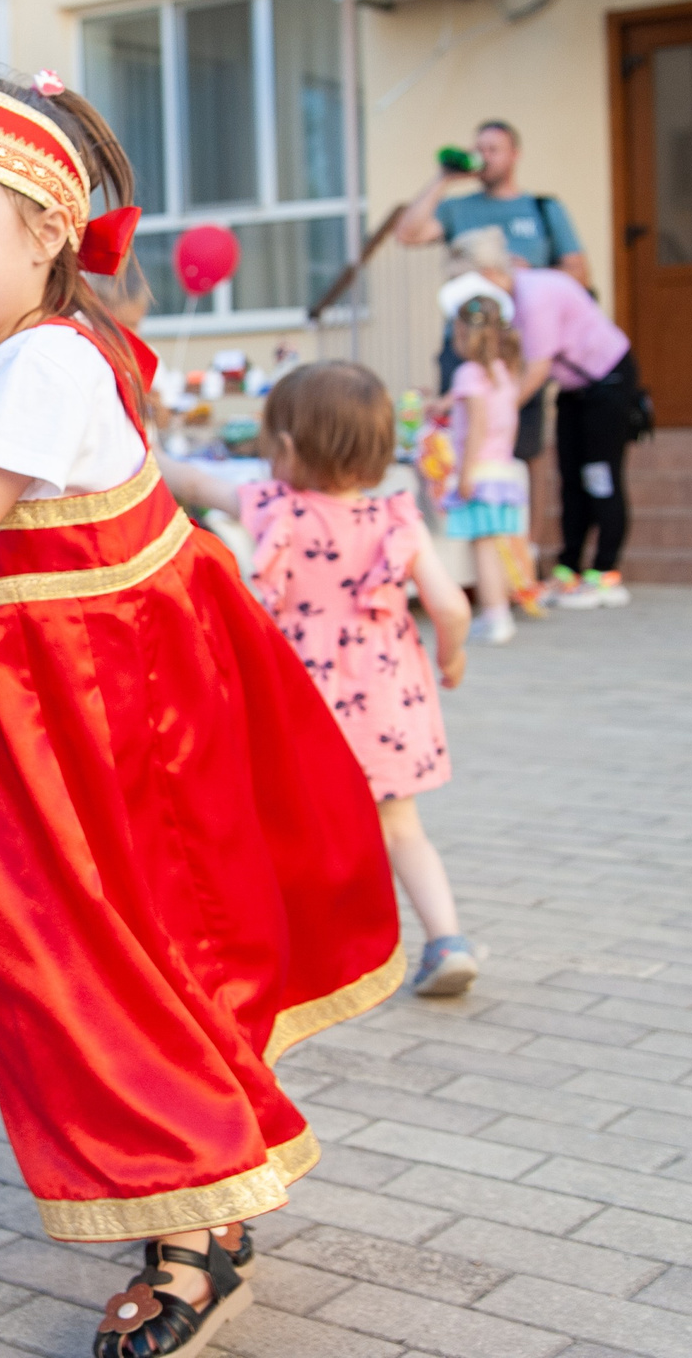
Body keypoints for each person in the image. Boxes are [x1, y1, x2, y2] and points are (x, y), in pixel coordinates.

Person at [0, 68, 400, 1358]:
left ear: (47, 233)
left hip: (123, 725)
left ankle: (191, 1237)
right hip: (36, 728)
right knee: (78, 961)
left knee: (118, 964)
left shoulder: (45, 362)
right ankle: (200, 1196)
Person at [235, 362, 479, 1004]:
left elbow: (196, 482)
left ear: (287, 447)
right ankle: (447, 940)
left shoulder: (274, 509)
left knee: (290, 829)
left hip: (302, 707)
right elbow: (451, 606)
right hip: (383, 706)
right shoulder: (396, 521)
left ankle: (299, 955)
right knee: (402, 828)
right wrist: (452, 657)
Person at [459, 226, 640, 608]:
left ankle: (605, 572)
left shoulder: (534, 296)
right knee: (570, 478)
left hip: (607, 382)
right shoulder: (515, 296)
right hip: (575, 390)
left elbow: (536, 370)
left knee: (601, 477)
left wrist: (493, 413)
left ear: (488, 273)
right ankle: (569, 568)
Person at [394, 119, 591, 285]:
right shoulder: (456, 208)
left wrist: (527, 274)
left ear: (514, 155)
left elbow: (579, 274)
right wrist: (444, 178)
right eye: (480, 150)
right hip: (471, 316)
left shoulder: (544, 208)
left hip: (530, 316)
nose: (485, 157)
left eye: (493, 150)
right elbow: (407, 235)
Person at [440, 294, 531, 644]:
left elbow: (477, 424)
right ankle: (499, 610)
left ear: (463, 334)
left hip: (480, 472)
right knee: (496, 544)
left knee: (484, 547)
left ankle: (496, 616)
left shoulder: (468, 373)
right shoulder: (501, 371)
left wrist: (465, 472)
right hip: (501, 469)